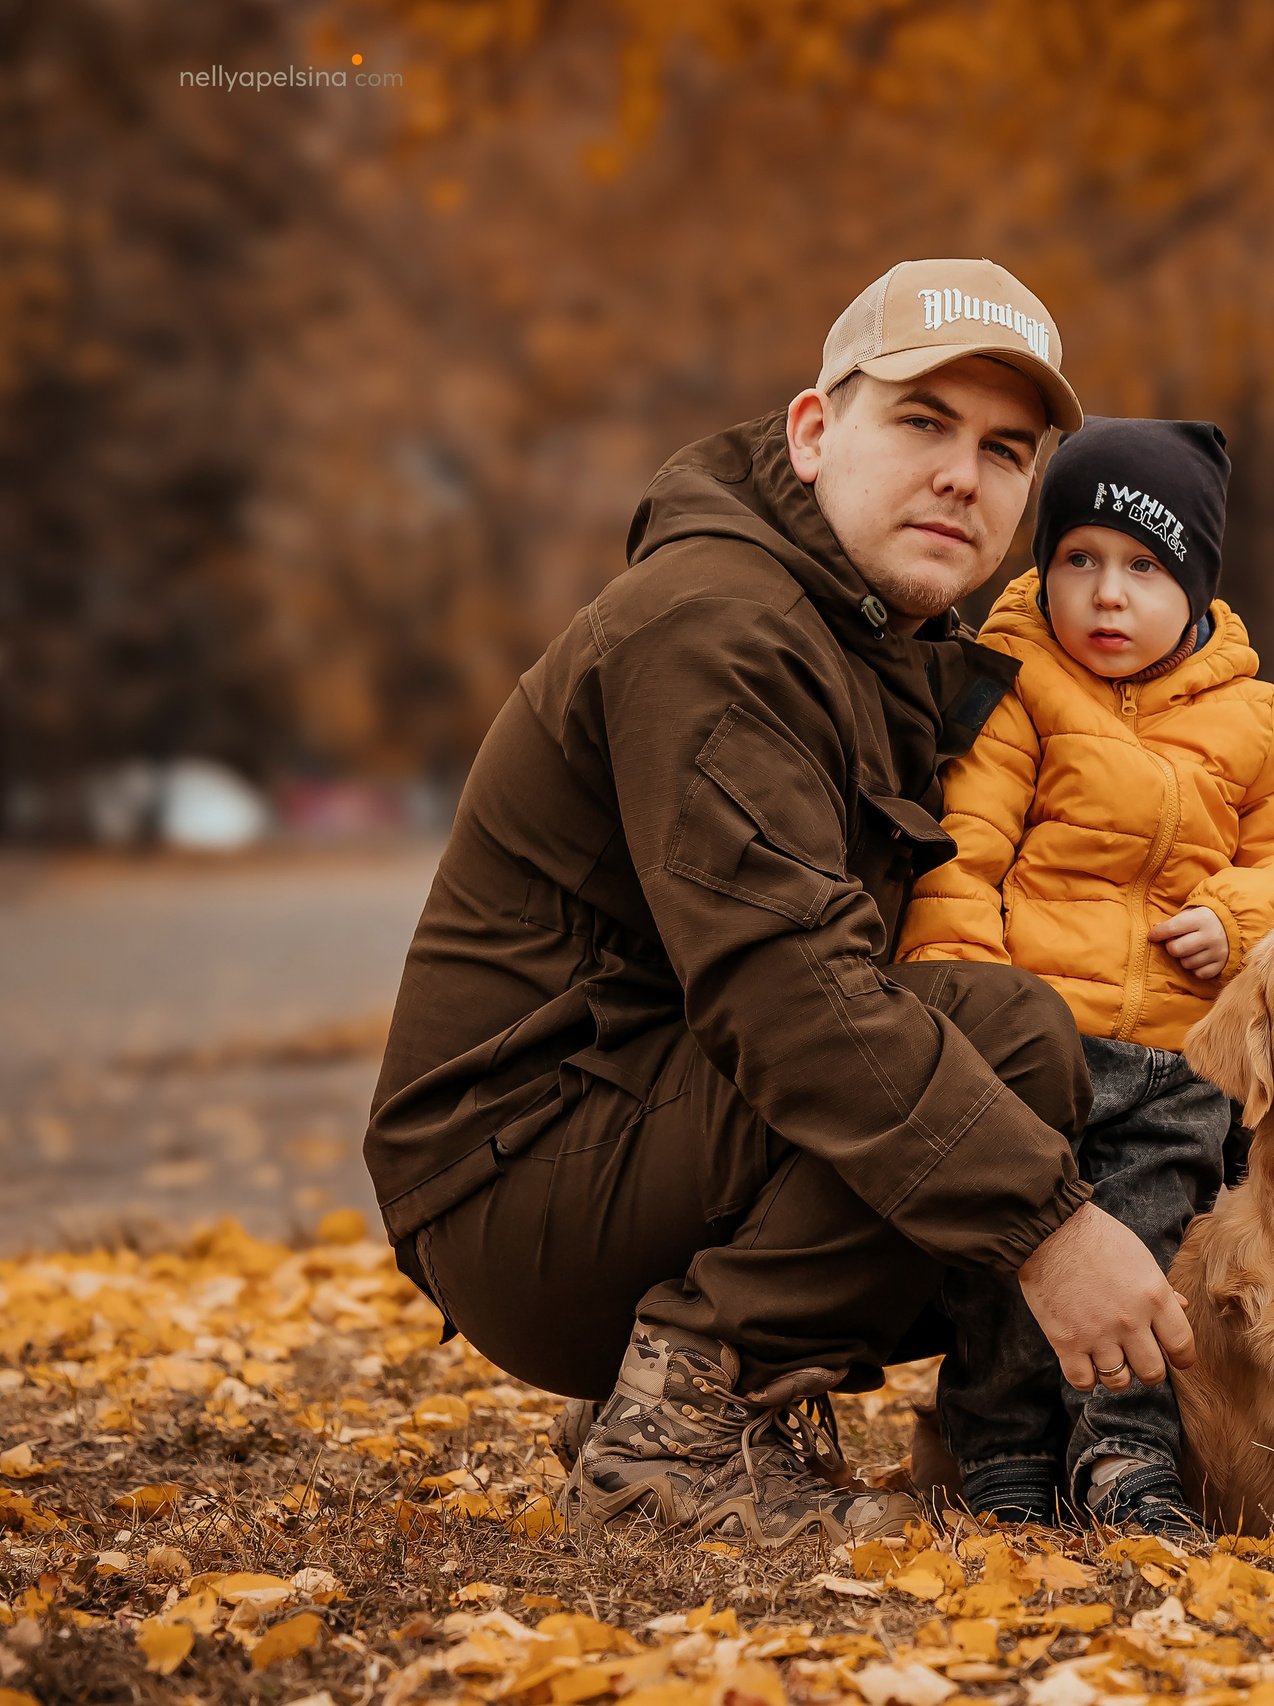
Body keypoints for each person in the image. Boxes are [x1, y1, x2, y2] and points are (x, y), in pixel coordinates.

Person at [364, 260, 1199, 1549]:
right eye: (921, 421)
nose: (960, 478)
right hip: (519, 1180)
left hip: (613, 1140)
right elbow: (792, 992)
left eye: (1004, 450)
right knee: (1007, 1046)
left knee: (1041, 1052)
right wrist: (1050, 1227)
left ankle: (690, 1398)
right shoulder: (718, 628)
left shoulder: (869, 635)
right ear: (814, 433)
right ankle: (676, 1427)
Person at [897, 417, 1274, 1534]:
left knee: (1149, 1254)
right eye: (1079, 561)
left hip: (1169, 1064)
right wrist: (955, 991)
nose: (1108, 596)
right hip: (1037, 1049)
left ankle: (1125, 1458)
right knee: (1008, 1257)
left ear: (1195, 584)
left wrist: (1235, 913)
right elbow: (964, 848)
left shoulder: (1251, 715)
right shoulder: (1012, 688)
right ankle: (1001, 1450)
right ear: (1041, 566)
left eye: (1143, 568)